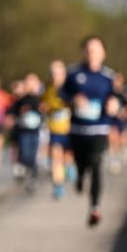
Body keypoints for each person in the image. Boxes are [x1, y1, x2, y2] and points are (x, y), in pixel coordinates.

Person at [61, 36, 120, 227]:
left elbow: (118, 99)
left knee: (96, 163)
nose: (92, 53)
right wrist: (73, 99)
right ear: (84, 52)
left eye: (96, 49)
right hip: (78, 129)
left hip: (99, 128)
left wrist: (115, 105)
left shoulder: (109, 77)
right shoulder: (73, 73)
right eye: (88, 49)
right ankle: (79, 176)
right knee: (81, 163)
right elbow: (62, 94)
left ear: (103, 53)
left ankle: (94, 208)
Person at [41, 60, 74, 200]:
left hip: (70, 130)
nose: (55, 76)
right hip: (54, 130)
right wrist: (45, 108)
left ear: (64, 74)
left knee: (67, 158)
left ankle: (69, 167)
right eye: (53, 73)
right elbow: (43, 104)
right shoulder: (47, 89)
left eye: (58, 73)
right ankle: (58, 186)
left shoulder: (70, 87)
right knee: (56, 159)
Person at [9, 73, 44, 193]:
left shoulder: (40, 99)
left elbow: (43, 113)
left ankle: (33, 176)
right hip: (23, 131)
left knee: (33, 155)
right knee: (24, 153)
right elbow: (12, 111)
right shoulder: (21, 100)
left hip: (35, 131)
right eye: (28, 83)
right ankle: (26, 169)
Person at [108, 72, 127, 174]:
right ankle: (114, 161)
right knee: (113, 139)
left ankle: (123, 149)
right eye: (115, 80)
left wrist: (124, 113)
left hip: (123, 120)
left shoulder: (125, 92)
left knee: (121, 141)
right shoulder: (110, 92)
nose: (116, 82)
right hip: (112, 120)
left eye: (118, 80)